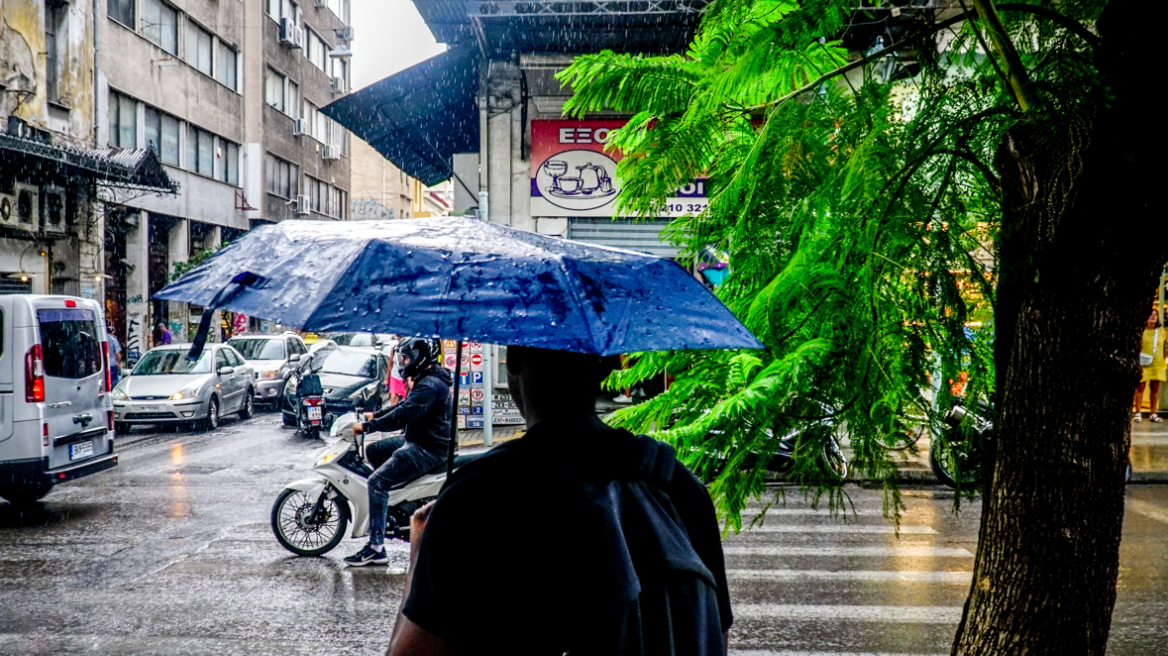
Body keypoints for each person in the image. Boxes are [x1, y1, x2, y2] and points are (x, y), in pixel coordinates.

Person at [383, 346, 733, 655]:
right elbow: (713, 636)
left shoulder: (481, 496)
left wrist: (417, 559)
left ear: (513, 361)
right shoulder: (679, 486)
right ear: (606, 366)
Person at [343, 337, 452, 566]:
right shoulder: (426, 379)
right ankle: (391, 501)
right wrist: (376, 415)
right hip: (419, 439)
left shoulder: (431, 385)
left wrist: (368, 426)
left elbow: (403, 416)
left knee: (376, 482)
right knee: (374, 451)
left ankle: (376, 548)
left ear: (420, 358)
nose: (403, 363)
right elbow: (402, 407)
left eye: (406, 358)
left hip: (428, 447)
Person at [1135, 309, 1167, 422]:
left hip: (1157, 363)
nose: (1153, 317)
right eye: (1151, 315)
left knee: (1155, 388)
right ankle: (1138, 412)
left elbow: (1164, 346)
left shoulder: (1161, 331)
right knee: (1140, 387)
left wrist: (1164, 358)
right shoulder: (1141, 331)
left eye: (1155, 315)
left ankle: (1153, 412)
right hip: (1143, 361)